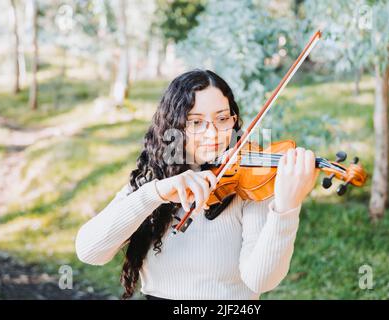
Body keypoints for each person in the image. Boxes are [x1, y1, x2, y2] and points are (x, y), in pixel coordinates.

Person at [75, 69, 319, 300]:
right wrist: (155, 194)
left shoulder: (249, 186)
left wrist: (286, 207)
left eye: (222, 119)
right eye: (196, 122)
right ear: (174, 126)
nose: (213, 134)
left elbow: (261, 280)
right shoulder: (154, 180)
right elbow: (89, 251)